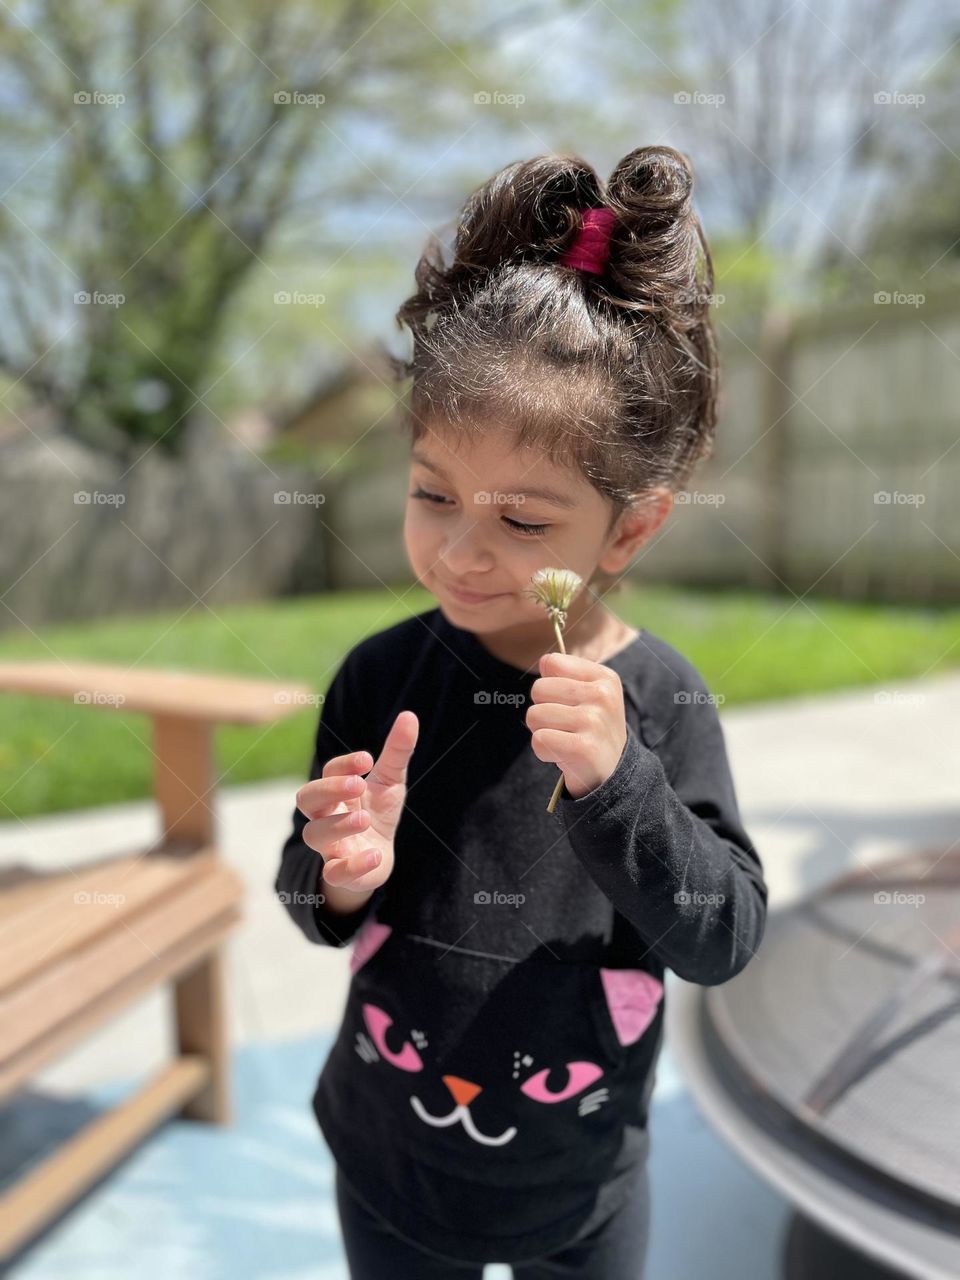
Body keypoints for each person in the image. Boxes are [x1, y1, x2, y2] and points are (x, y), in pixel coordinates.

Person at [275, 144, 768, 1278]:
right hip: (389, 1163)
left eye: (525, 521)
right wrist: (338, 870)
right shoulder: (378, 674)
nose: (460, 548)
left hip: (578, 1178)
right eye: (432, 492)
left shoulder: (663, 699)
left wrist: (622, 782)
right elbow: (311, 902)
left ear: (631, 529)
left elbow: (724, 934)